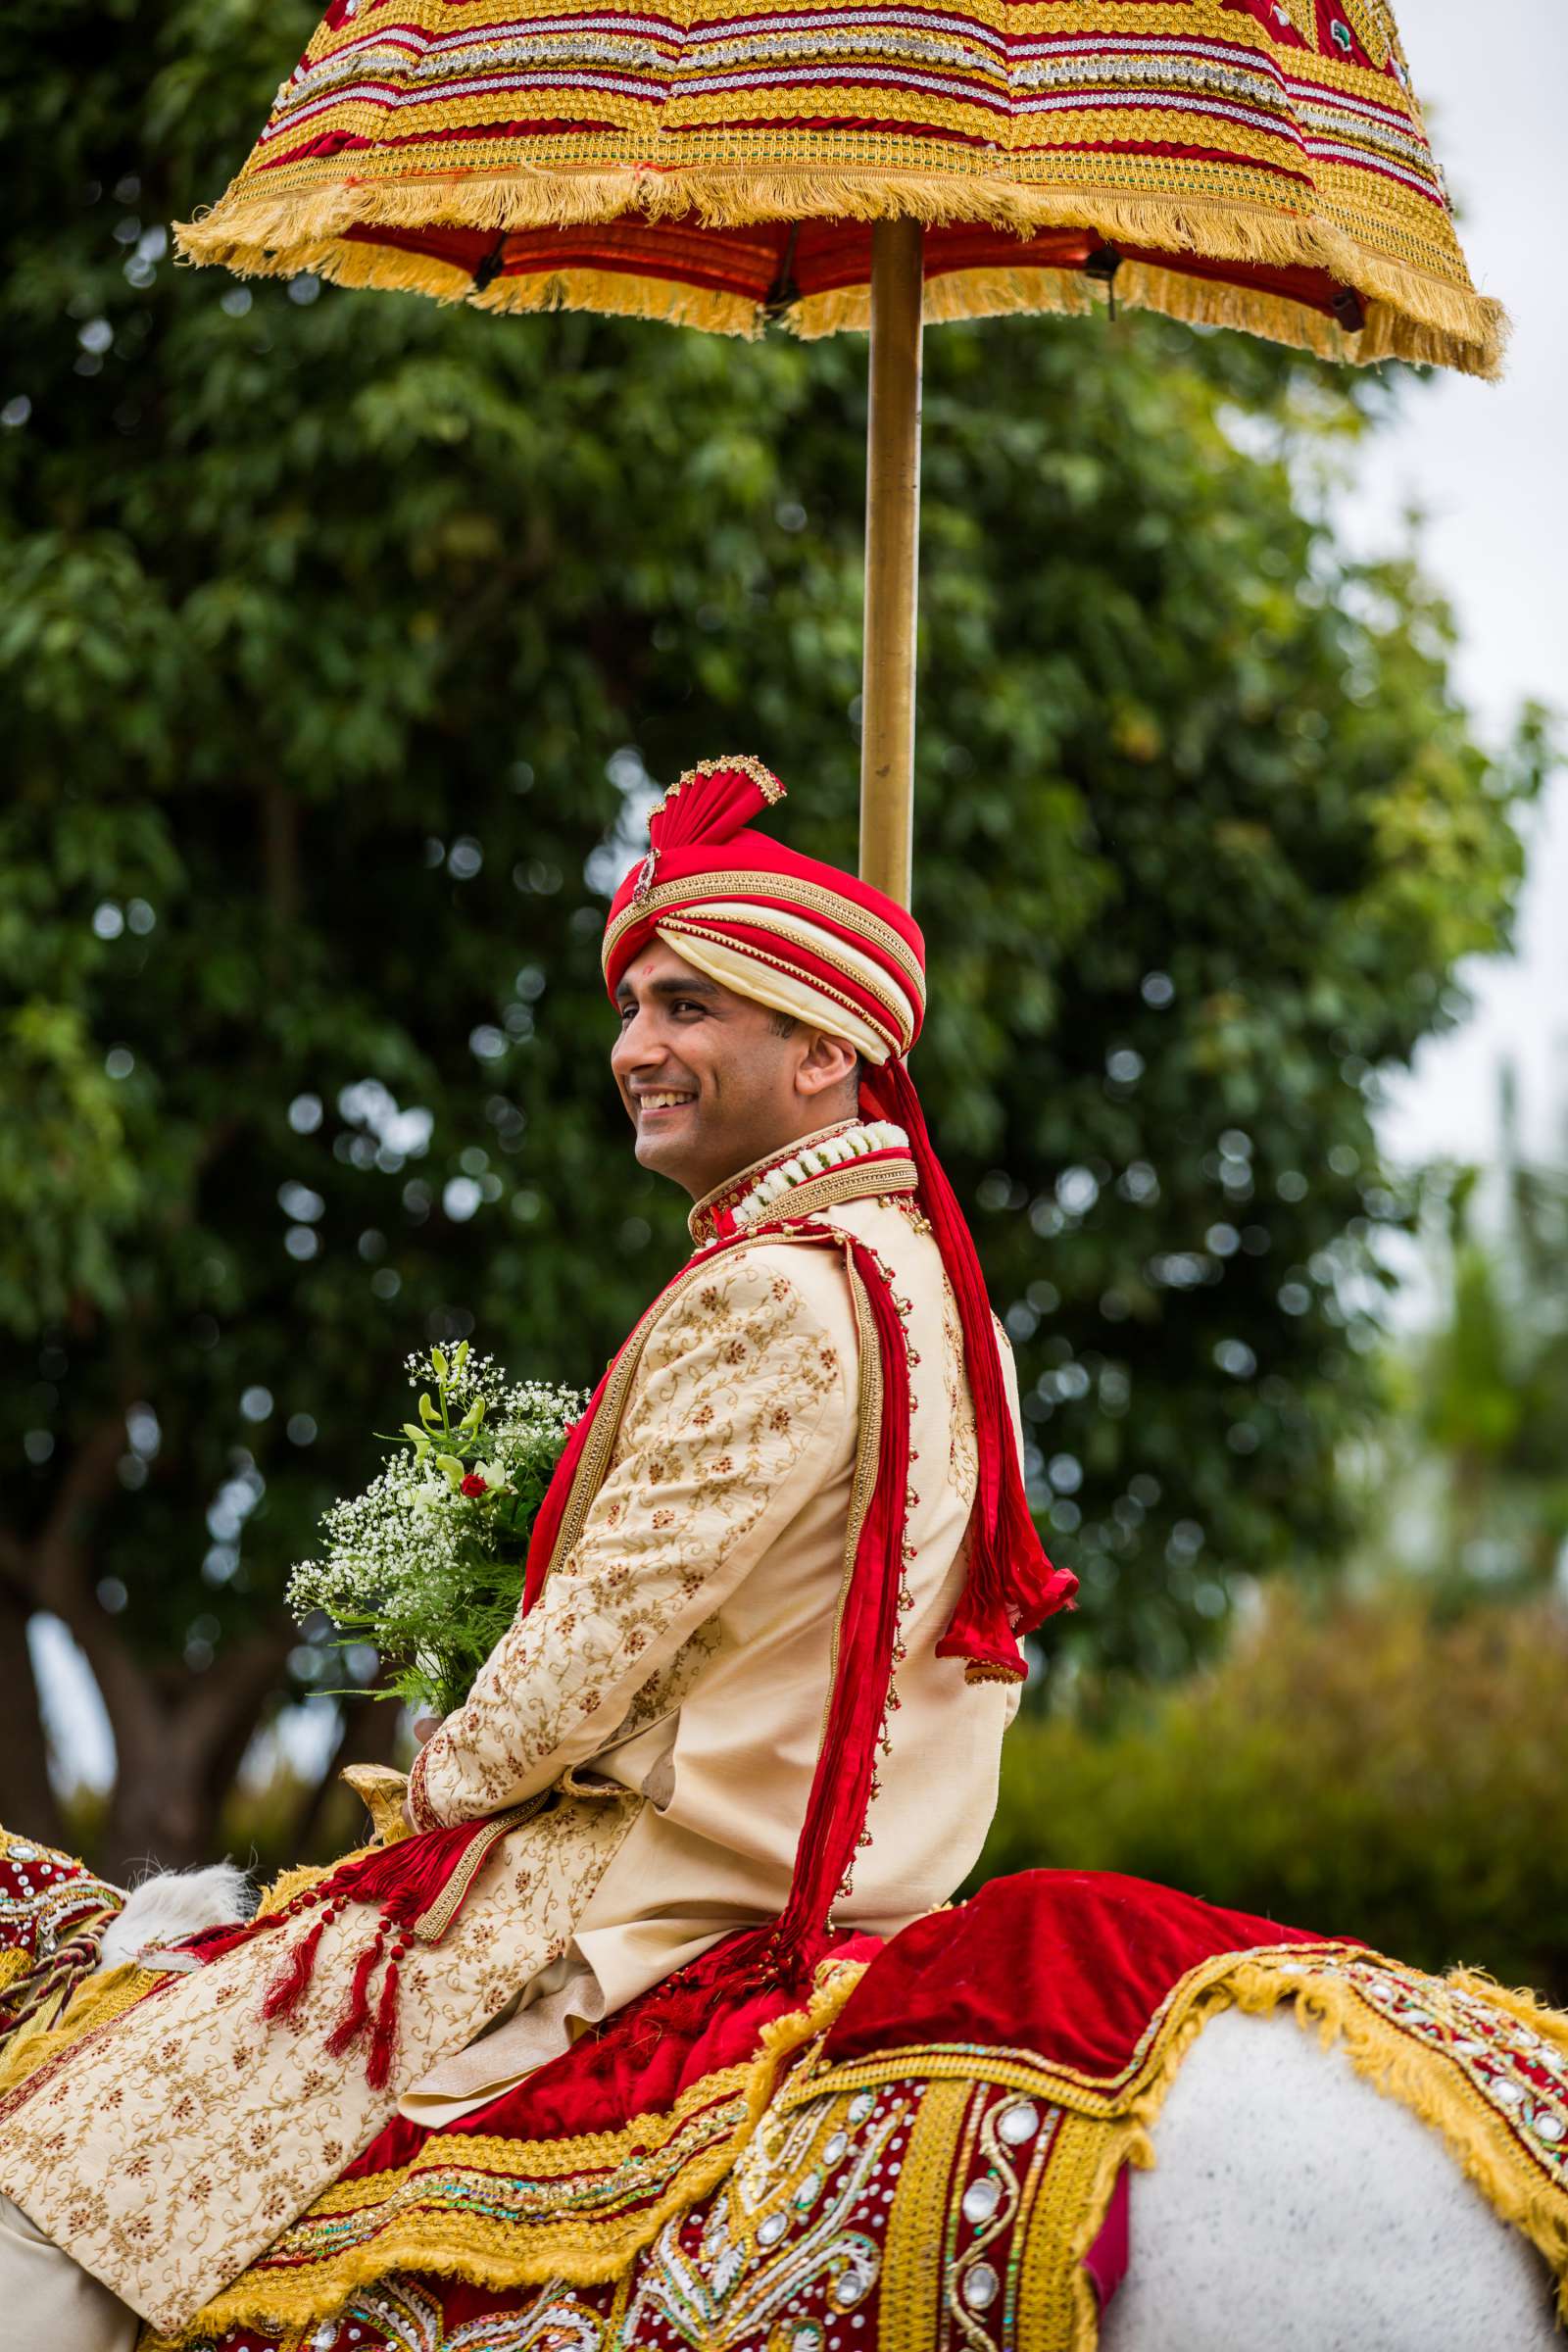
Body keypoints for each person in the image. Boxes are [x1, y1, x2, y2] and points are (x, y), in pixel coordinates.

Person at [0, 755, 1074, 2344]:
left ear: (826, 1044)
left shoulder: (774, 1290)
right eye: (633, 1004)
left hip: (655, 1895)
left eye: (691, 1006)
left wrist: (430, 1798)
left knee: (82, 2164)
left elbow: (583, 1663)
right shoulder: (931, 1285)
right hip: (847, 1873)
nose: (635, 1047)